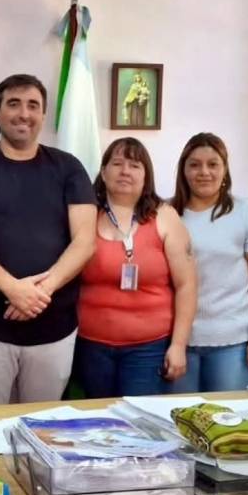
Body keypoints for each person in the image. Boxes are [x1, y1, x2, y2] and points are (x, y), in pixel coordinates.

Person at [0, 74, 97, 406]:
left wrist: (40, 292)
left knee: (42, 426)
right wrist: (13, 289)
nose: (23, 114)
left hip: (53, 329)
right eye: (13, 104)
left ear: (43, 114)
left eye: (33, 105)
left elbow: (85, 242)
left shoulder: (69, 168)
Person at [74, 137, 196, 397]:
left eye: (134, 165)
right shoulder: (85, 215)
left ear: (146, 176)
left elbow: (187, 285)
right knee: (98, 418)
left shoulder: (165, 216)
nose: (125, 171)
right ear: (103, 172)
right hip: (90, 347)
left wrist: (178, 345)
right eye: (117, 163)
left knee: (139, 419)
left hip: (149, 349)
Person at [170, 132, 248, 392]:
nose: (204, 172)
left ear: (225, 169)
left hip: (232, 343)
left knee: (228, 415)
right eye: (194, 165)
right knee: (176, 415)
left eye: (213, 164)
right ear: (183, 170)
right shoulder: (166, 213)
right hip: (176, 341)